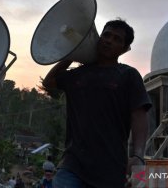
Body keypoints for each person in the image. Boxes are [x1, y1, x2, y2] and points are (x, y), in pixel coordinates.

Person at [42, 19, 152, 188]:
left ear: (124, 49)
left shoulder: (129, 75)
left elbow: (139, 115)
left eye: (117, 39)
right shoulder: (78, 74)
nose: (109, 40)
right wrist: (74, 51)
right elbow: (49, 82)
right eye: (106, 35)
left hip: (111, 170)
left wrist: (138, 156)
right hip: (72, 166)